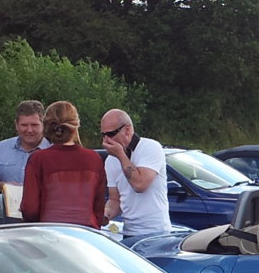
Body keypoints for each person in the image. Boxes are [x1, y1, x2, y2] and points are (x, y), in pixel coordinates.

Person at [20, 102, 107, 226]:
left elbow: (30, 209)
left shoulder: (38, 159)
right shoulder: (94, 159)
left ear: (46, 125)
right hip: (86, 235)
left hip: (49, 235)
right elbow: (99, 208)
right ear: (76, 125)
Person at [100, 109, 171, 240]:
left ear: (127, 130)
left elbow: (139, 185)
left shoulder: (150, 148)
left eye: (111, 134)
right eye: (103, 135)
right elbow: (115, 200)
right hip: (129, 232)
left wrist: (121, 155)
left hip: (156, 233)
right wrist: (105, 215)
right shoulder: (111, 160)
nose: (106, 140)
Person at [0, 101, 50, 213]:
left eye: (34, 125)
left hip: (43, 222)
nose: (29, 130)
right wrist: (2, 186)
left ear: (44, 125)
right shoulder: (1, 148)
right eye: (24, 125)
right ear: (16, 125)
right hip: (7, 225)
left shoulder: (52, 151)